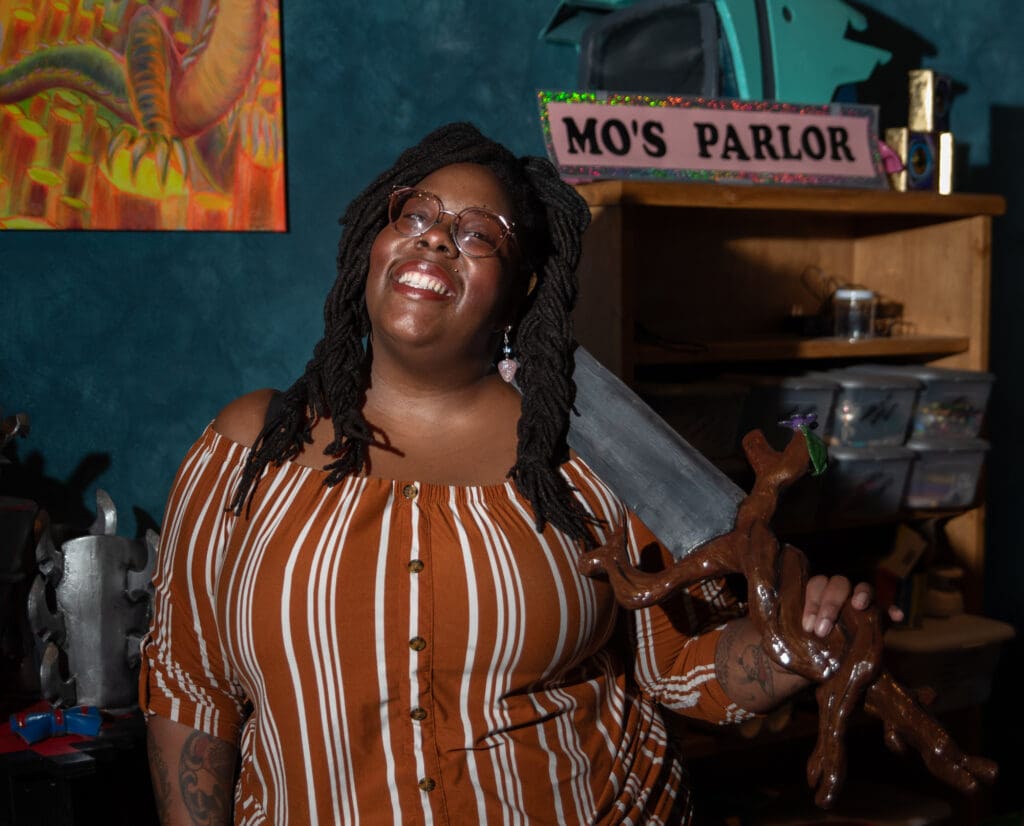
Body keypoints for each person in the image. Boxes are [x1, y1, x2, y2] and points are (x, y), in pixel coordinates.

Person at [140, 122, 888, 825]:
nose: (436, 237)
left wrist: (796, 646)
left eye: (478, 235)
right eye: (415, 215)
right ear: (373, 240)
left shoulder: (593, 458)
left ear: (522, 289)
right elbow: (190, 687)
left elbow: (680, 668)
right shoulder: (253, 447)